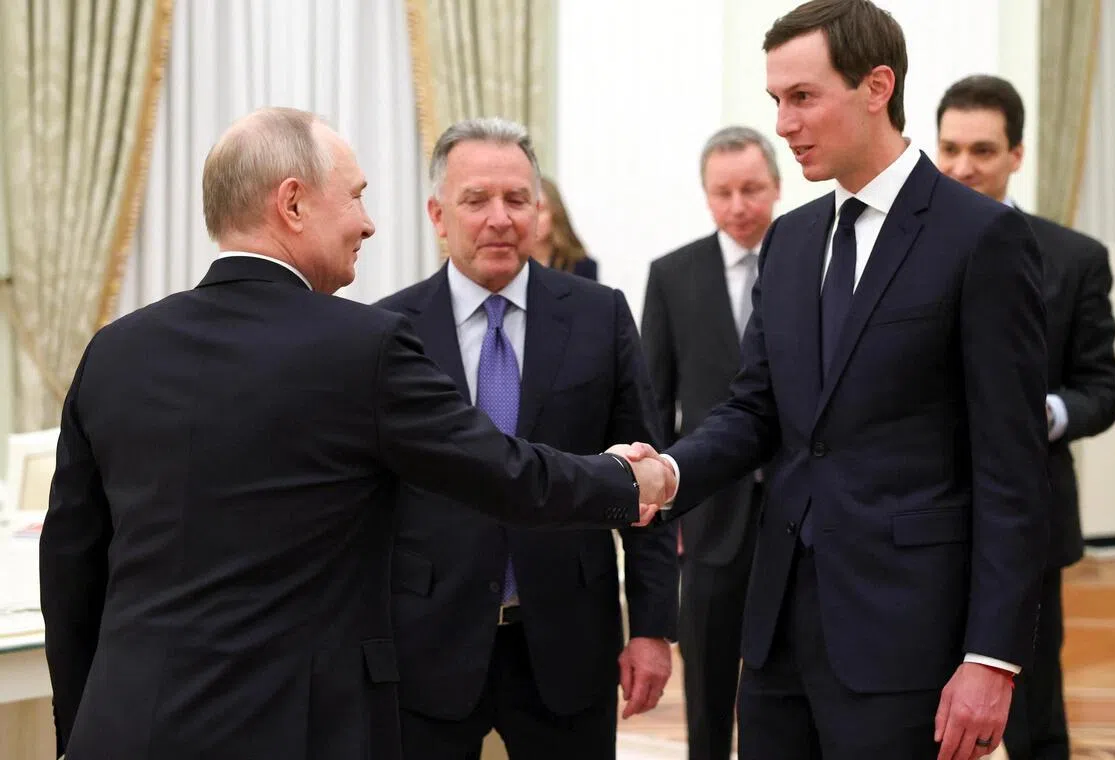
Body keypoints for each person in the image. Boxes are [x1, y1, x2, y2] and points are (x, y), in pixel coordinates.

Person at [38, 107, 674, 760]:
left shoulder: (113, 352)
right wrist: (631, 478)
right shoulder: (361, 345)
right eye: (356, 197)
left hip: (123, 724)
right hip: (297, 726)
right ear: (293, 203)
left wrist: (79, 729)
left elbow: (69, 570)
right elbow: (504, 472)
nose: (368, 222)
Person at [618, 1, 1050, 758]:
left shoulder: (980, 237)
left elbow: (1011, 468)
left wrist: (992, 657)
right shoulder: (791, 238)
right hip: (778, 632)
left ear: (877, 85)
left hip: (907, 639)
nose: (783, 124)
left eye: (803, 97)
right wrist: (669, 471)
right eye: (776, 102)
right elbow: (756, 409)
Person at [376, 117, 678, 760]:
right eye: (476, 199)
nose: (499, 218)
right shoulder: (386, 332)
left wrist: (652, 628)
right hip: (427, 642)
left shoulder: (600, 315)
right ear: (438, 213)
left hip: (568, 640)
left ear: (539, 210)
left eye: (517, 199)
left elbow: (646, 474)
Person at [937, 74, 1115, 760]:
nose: (962, 167)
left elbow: (1102, 391)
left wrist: (1037, 414)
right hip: (916, 516)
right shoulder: (904, 250)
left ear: (1017, 154)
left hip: (1028, 522)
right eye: (950, 148)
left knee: (1031, 705)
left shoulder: (1076, 259)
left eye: (982, 150)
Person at [641, 125, 781, 760]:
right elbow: (654, 403)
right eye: (723, 192)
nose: (739, 205)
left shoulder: (811, 258)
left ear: (776, 186)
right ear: (706, 196)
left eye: (751, 189)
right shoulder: (672, 276)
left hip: (796, 508)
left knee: (784, 682)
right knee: (708, 676)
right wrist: (666, 506)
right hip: (708, 516)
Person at [532, 177, 598, 280]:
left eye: (540, 209)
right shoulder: (510, 264)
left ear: (556, 213)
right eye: (526, 209)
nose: (533, 218)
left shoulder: (581, 266)